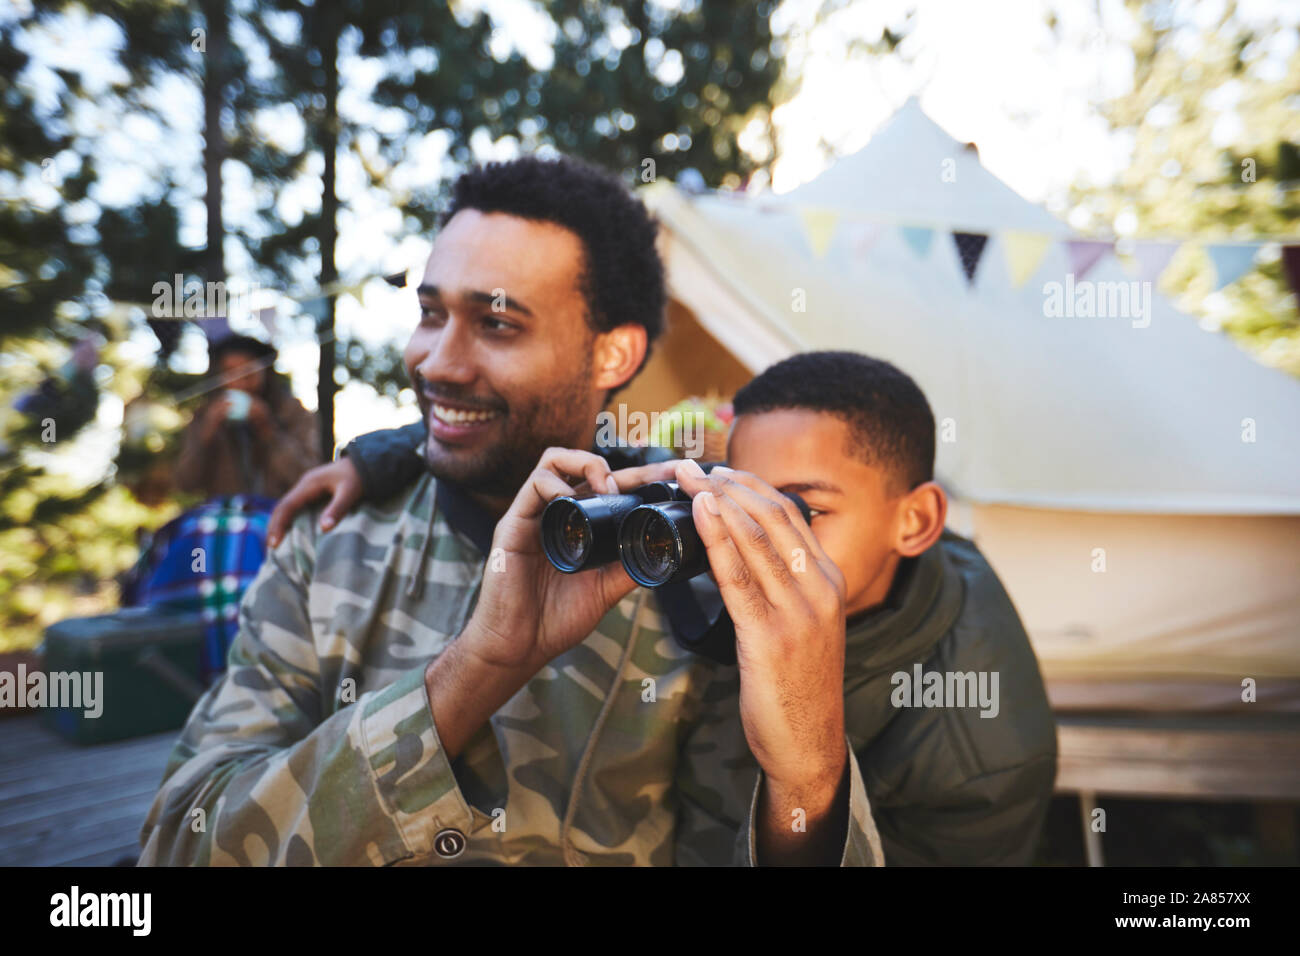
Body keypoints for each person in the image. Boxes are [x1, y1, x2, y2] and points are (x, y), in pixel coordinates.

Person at [137, 155, 883, 867]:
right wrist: (469, 675)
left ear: (612, 357)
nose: (438, 363)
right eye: (431, 315)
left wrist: (811, 781)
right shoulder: (327, 542)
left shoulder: (688, 569)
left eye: (496, 325)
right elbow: (177, 842)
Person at [279, 351, 1058, 865]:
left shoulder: (978, 750)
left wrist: (813, 782)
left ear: (914, 521)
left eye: (799, 508)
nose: (745, 530)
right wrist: (383, 455)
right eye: (733, 492)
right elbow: (563, 446)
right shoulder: (737, 543)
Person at [175, 333, 319, 499]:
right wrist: (205, 436)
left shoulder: (292, 412)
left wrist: (270, 432)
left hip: (282, 514)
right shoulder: (204, 416)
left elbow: (308, 477)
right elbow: (185, 483)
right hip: (225, 518)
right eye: (230, 373)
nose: (239, 384)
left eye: (248, 374)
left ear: (266, 374)